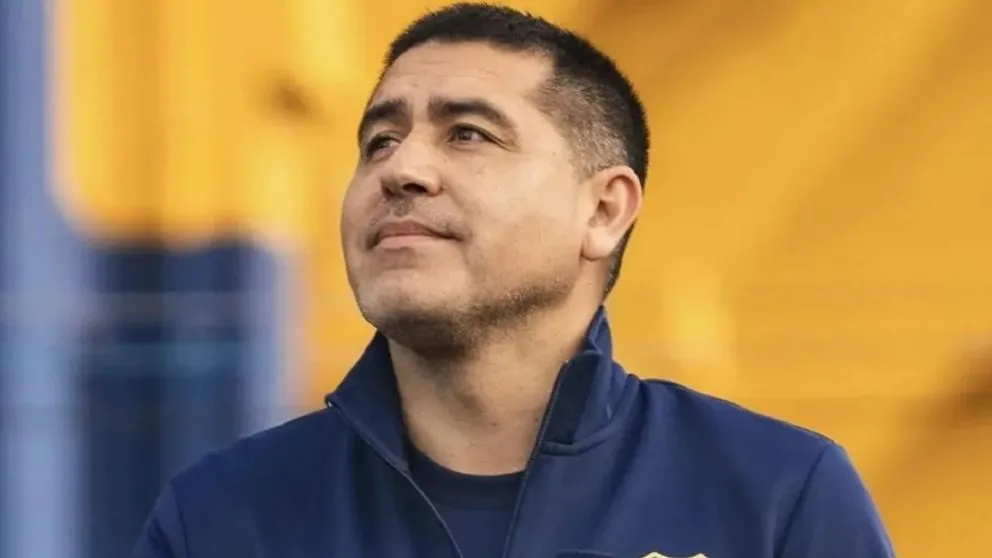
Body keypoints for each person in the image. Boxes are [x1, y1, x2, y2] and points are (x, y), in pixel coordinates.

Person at [132, 3, 894, 557]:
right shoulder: (223, 518)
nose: (401, 168)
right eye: (379, 141)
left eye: (468, 134)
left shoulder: (775, 497)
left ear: (603, 210)